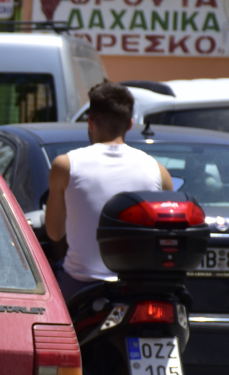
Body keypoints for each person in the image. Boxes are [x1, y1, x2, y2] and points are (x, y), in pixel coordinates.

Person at [46, 81, 173, 301]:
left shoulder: (65, 165)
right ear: (131, 123)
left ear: (90, 122)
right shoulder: (159, 172)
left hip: (80, 284)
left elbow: (55, 233)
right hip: (138, 287)